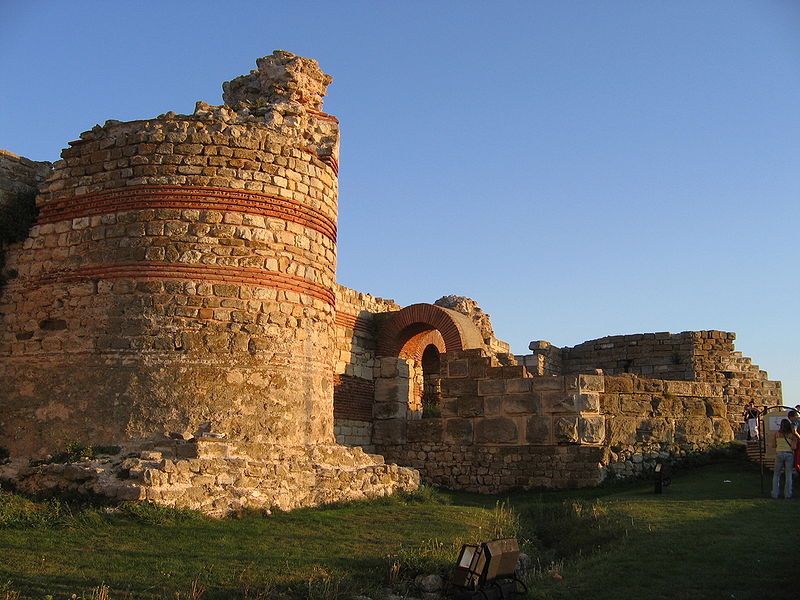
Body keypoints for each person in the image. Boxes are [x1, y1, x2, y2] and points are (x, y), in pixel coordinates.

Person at [772, 418, 795, 499]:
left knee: (776, 475)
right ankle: (788, 494)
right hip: (789, 454)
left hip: (779, 453)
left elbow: (773, 445)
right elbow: (794, 447)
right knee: (788, 475)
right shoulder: (791, 435)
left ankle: (775, 494)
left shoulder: (776, 434)